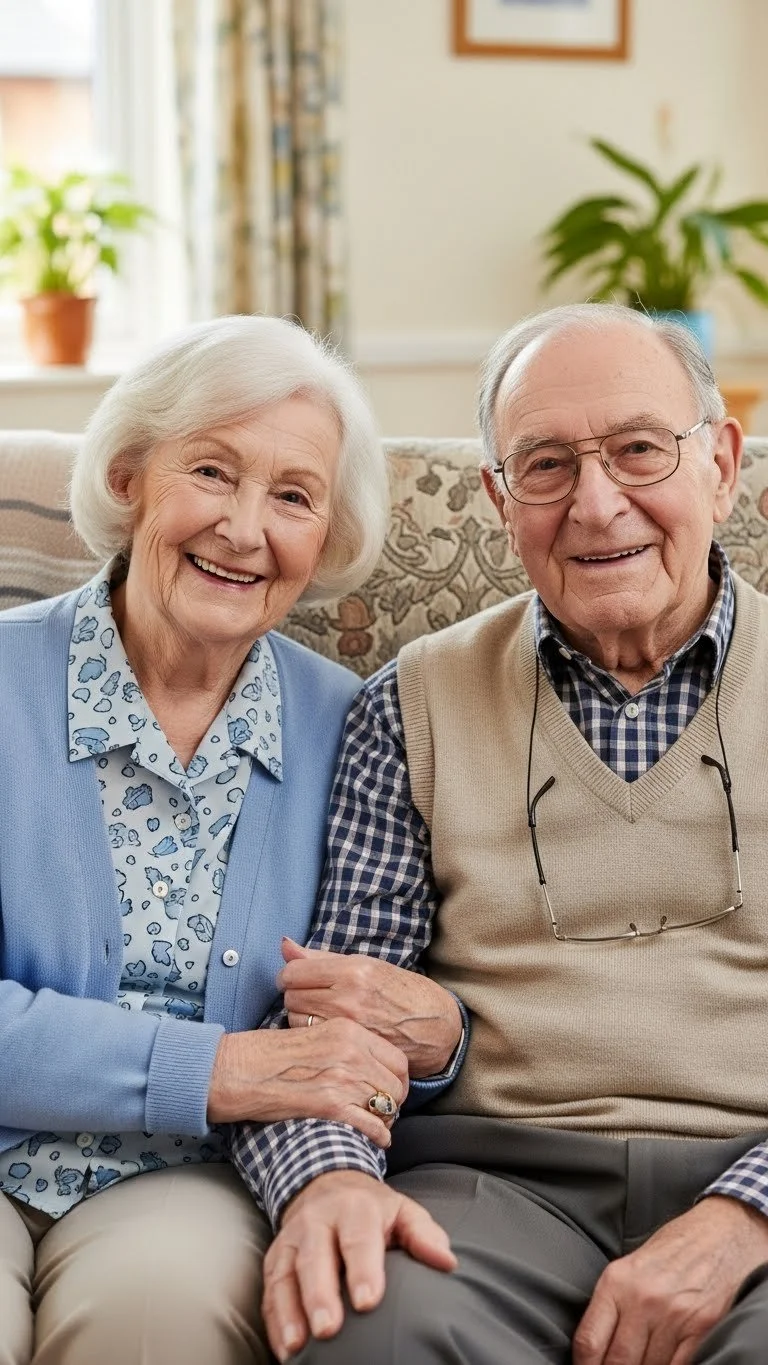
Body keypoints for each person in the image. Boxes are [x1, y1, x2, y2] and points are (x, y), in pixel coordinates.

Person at [232, 302, 768, 1365]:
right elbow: (344, 1010)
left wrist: (742, 1218)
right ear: (496, 497)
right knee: (360, 1328)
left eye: (637, 450)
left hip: (755, 1175)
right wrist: (328, 1179)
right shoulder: (411, 703)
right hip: (495, 1183)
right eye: (546, 465)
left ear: (721, 463)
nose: (597, 503)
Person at [0, 314, 465, 1365]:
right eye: (212, 471)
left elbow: (377, 1006)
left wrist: (433, 1044)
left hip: (187, 1184)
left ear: (328, 537)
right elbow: (258, 1064)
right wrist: (214, 1068)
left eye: (293, 496)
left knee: (158, 1318)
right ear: (130, 479)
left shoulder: (361, 726)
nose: (246, 529)